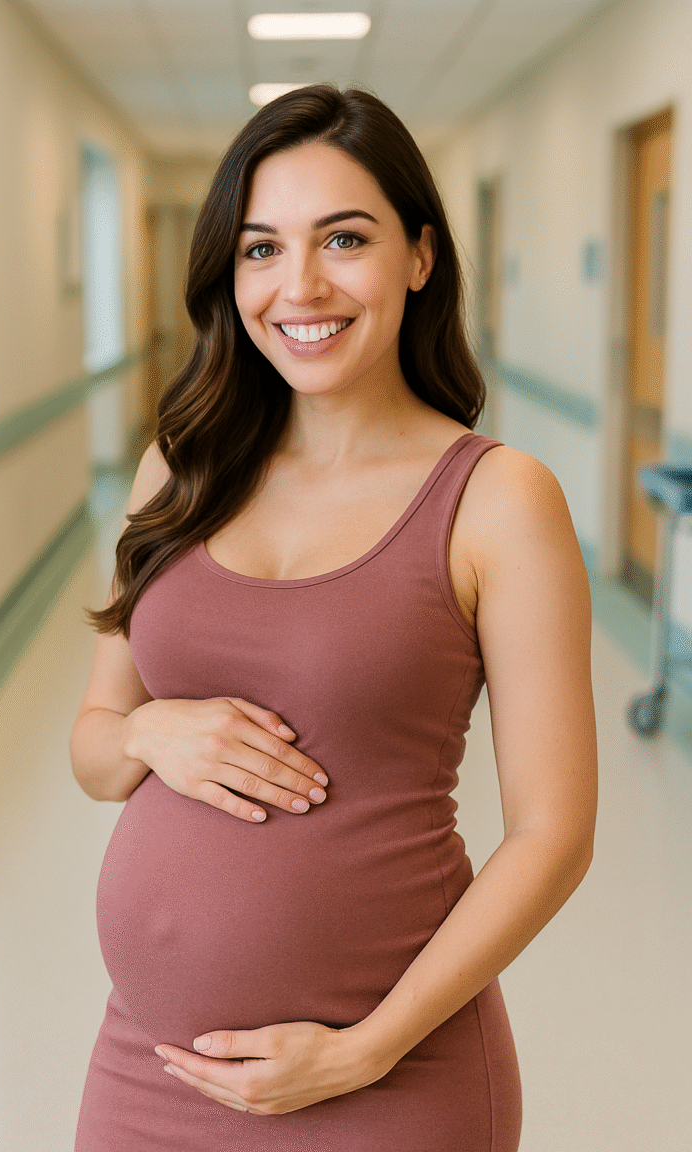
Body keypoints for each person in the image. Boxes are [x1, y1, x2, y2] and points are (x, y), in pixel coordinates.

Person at [70, 83, 597, 1151]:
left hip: (390, 1078)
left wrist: (367, 1050)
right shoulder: (180, 470)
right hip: (148, 1070)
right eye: (261, 248)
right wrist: (141, 729)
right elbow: (92, 750)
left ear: (420, 254)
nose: (298, 285)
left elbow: (554, 835)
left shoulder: (497, 499)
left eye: (343, 238)